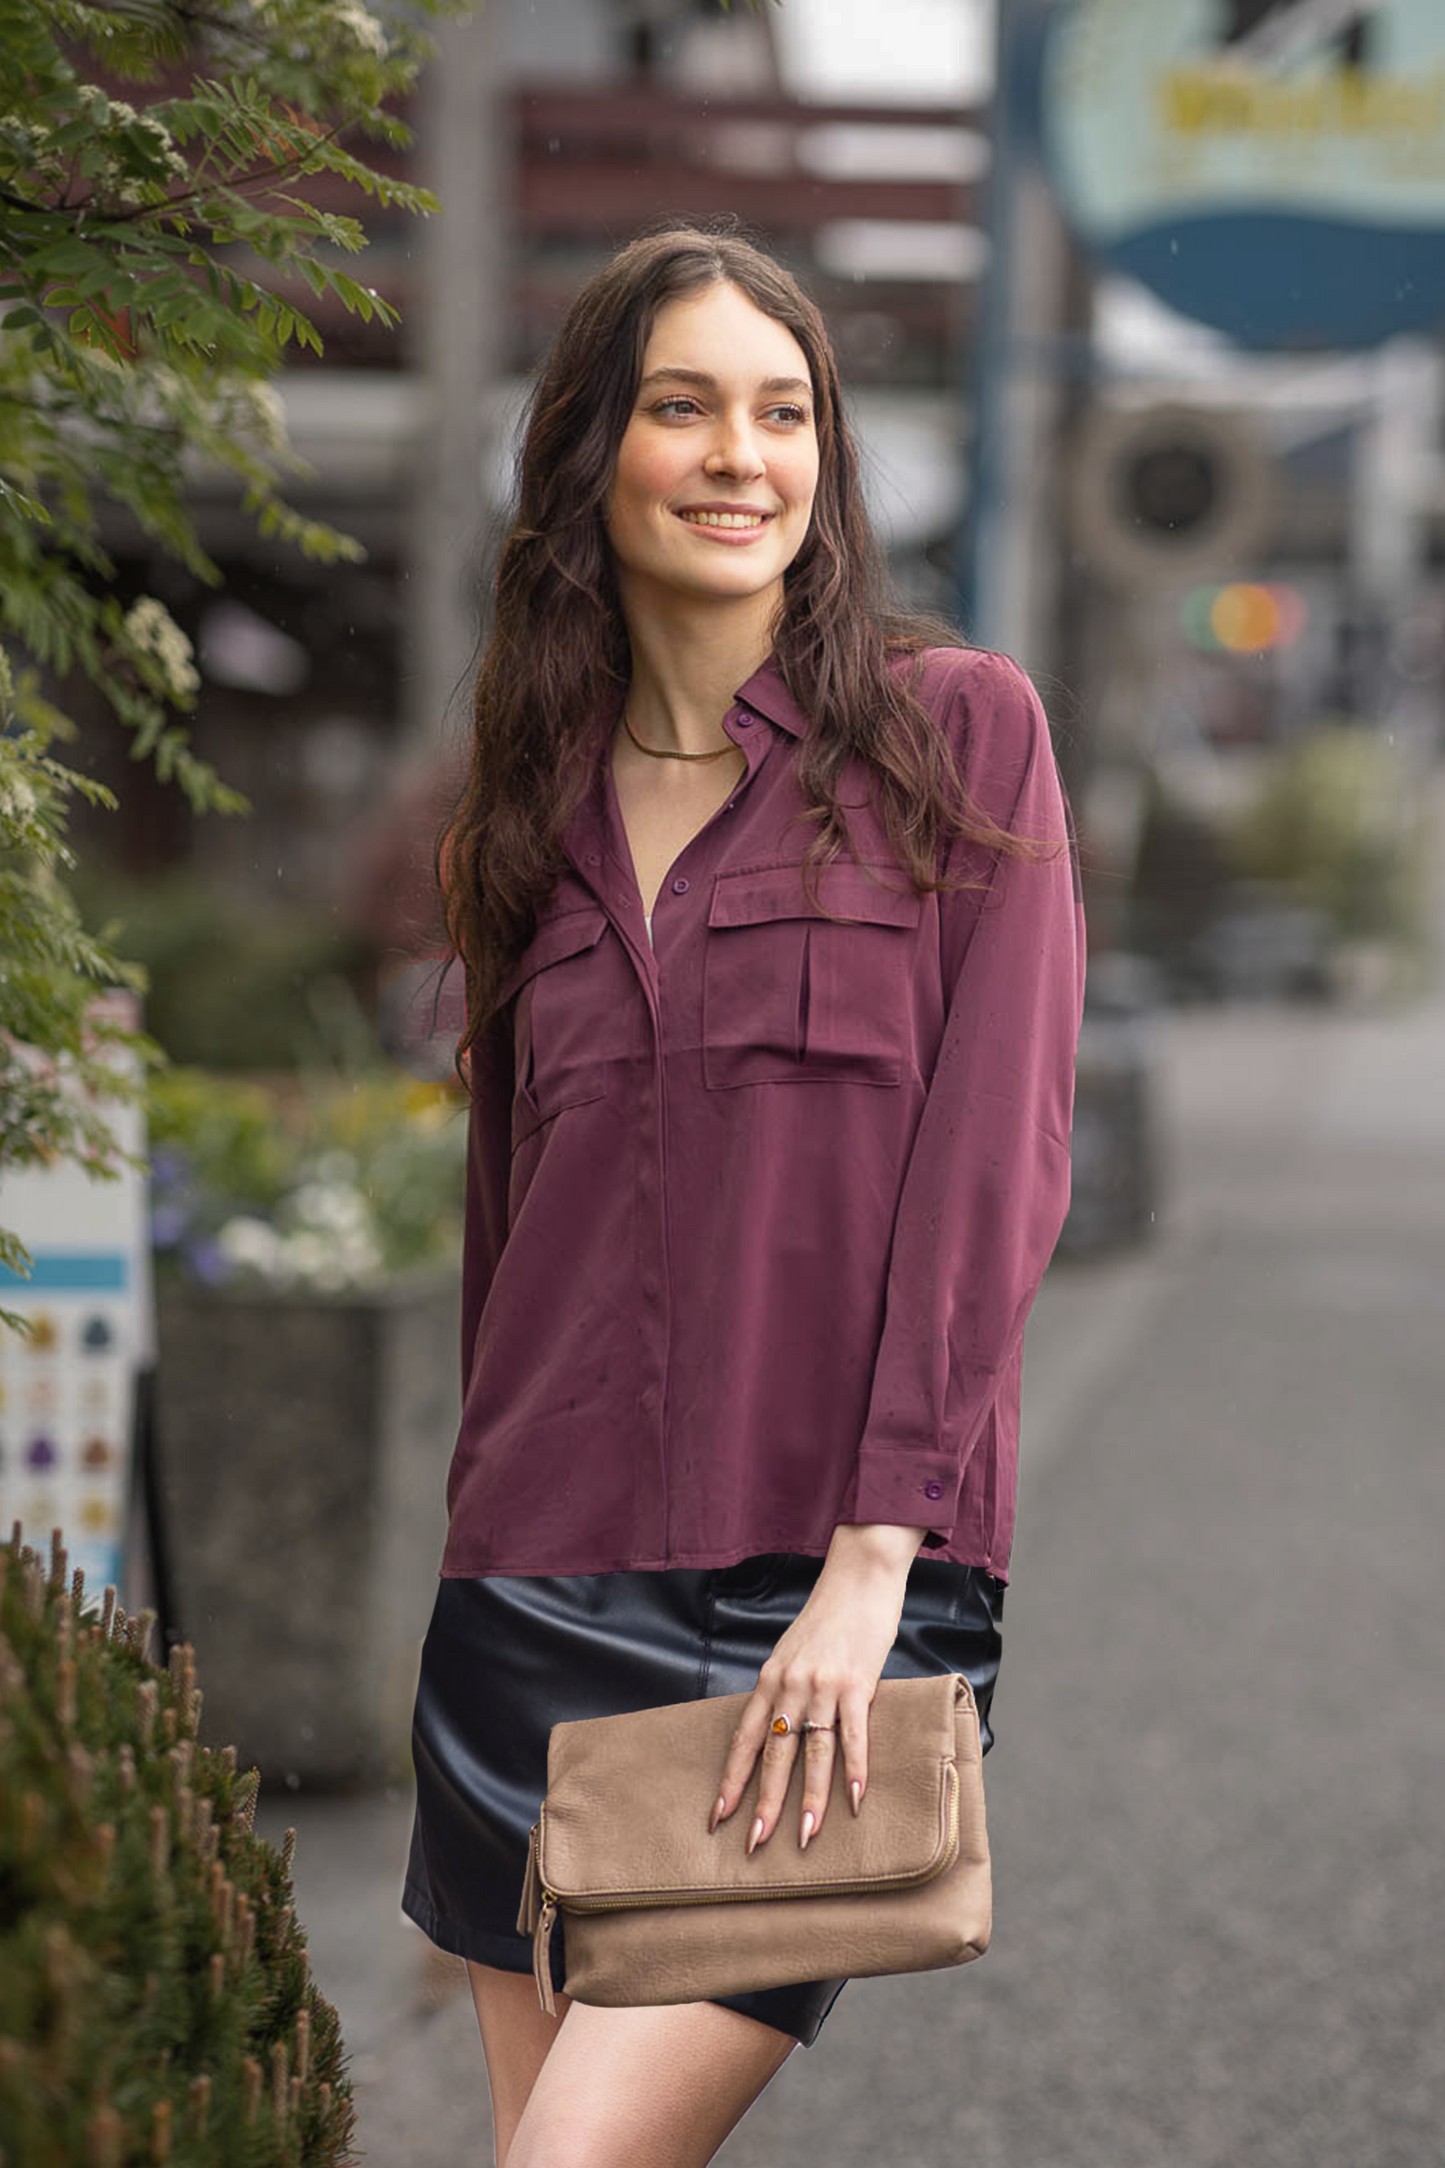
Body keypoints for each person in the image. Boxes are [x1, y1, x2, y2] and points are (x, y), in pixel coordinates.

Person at [401, 221, 1086, 2168]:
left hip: (827, 1589)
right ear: (590, 456)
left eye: (781, 413)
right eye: (681, 406)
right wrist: (464, 1561)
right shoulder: (525, 809)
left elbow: (997, 1166)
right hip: (525, 1595)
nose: (738, 455)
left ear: (827, 459)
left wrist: (874, 1563)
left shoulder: (956, 737)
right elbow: (503, 1229)